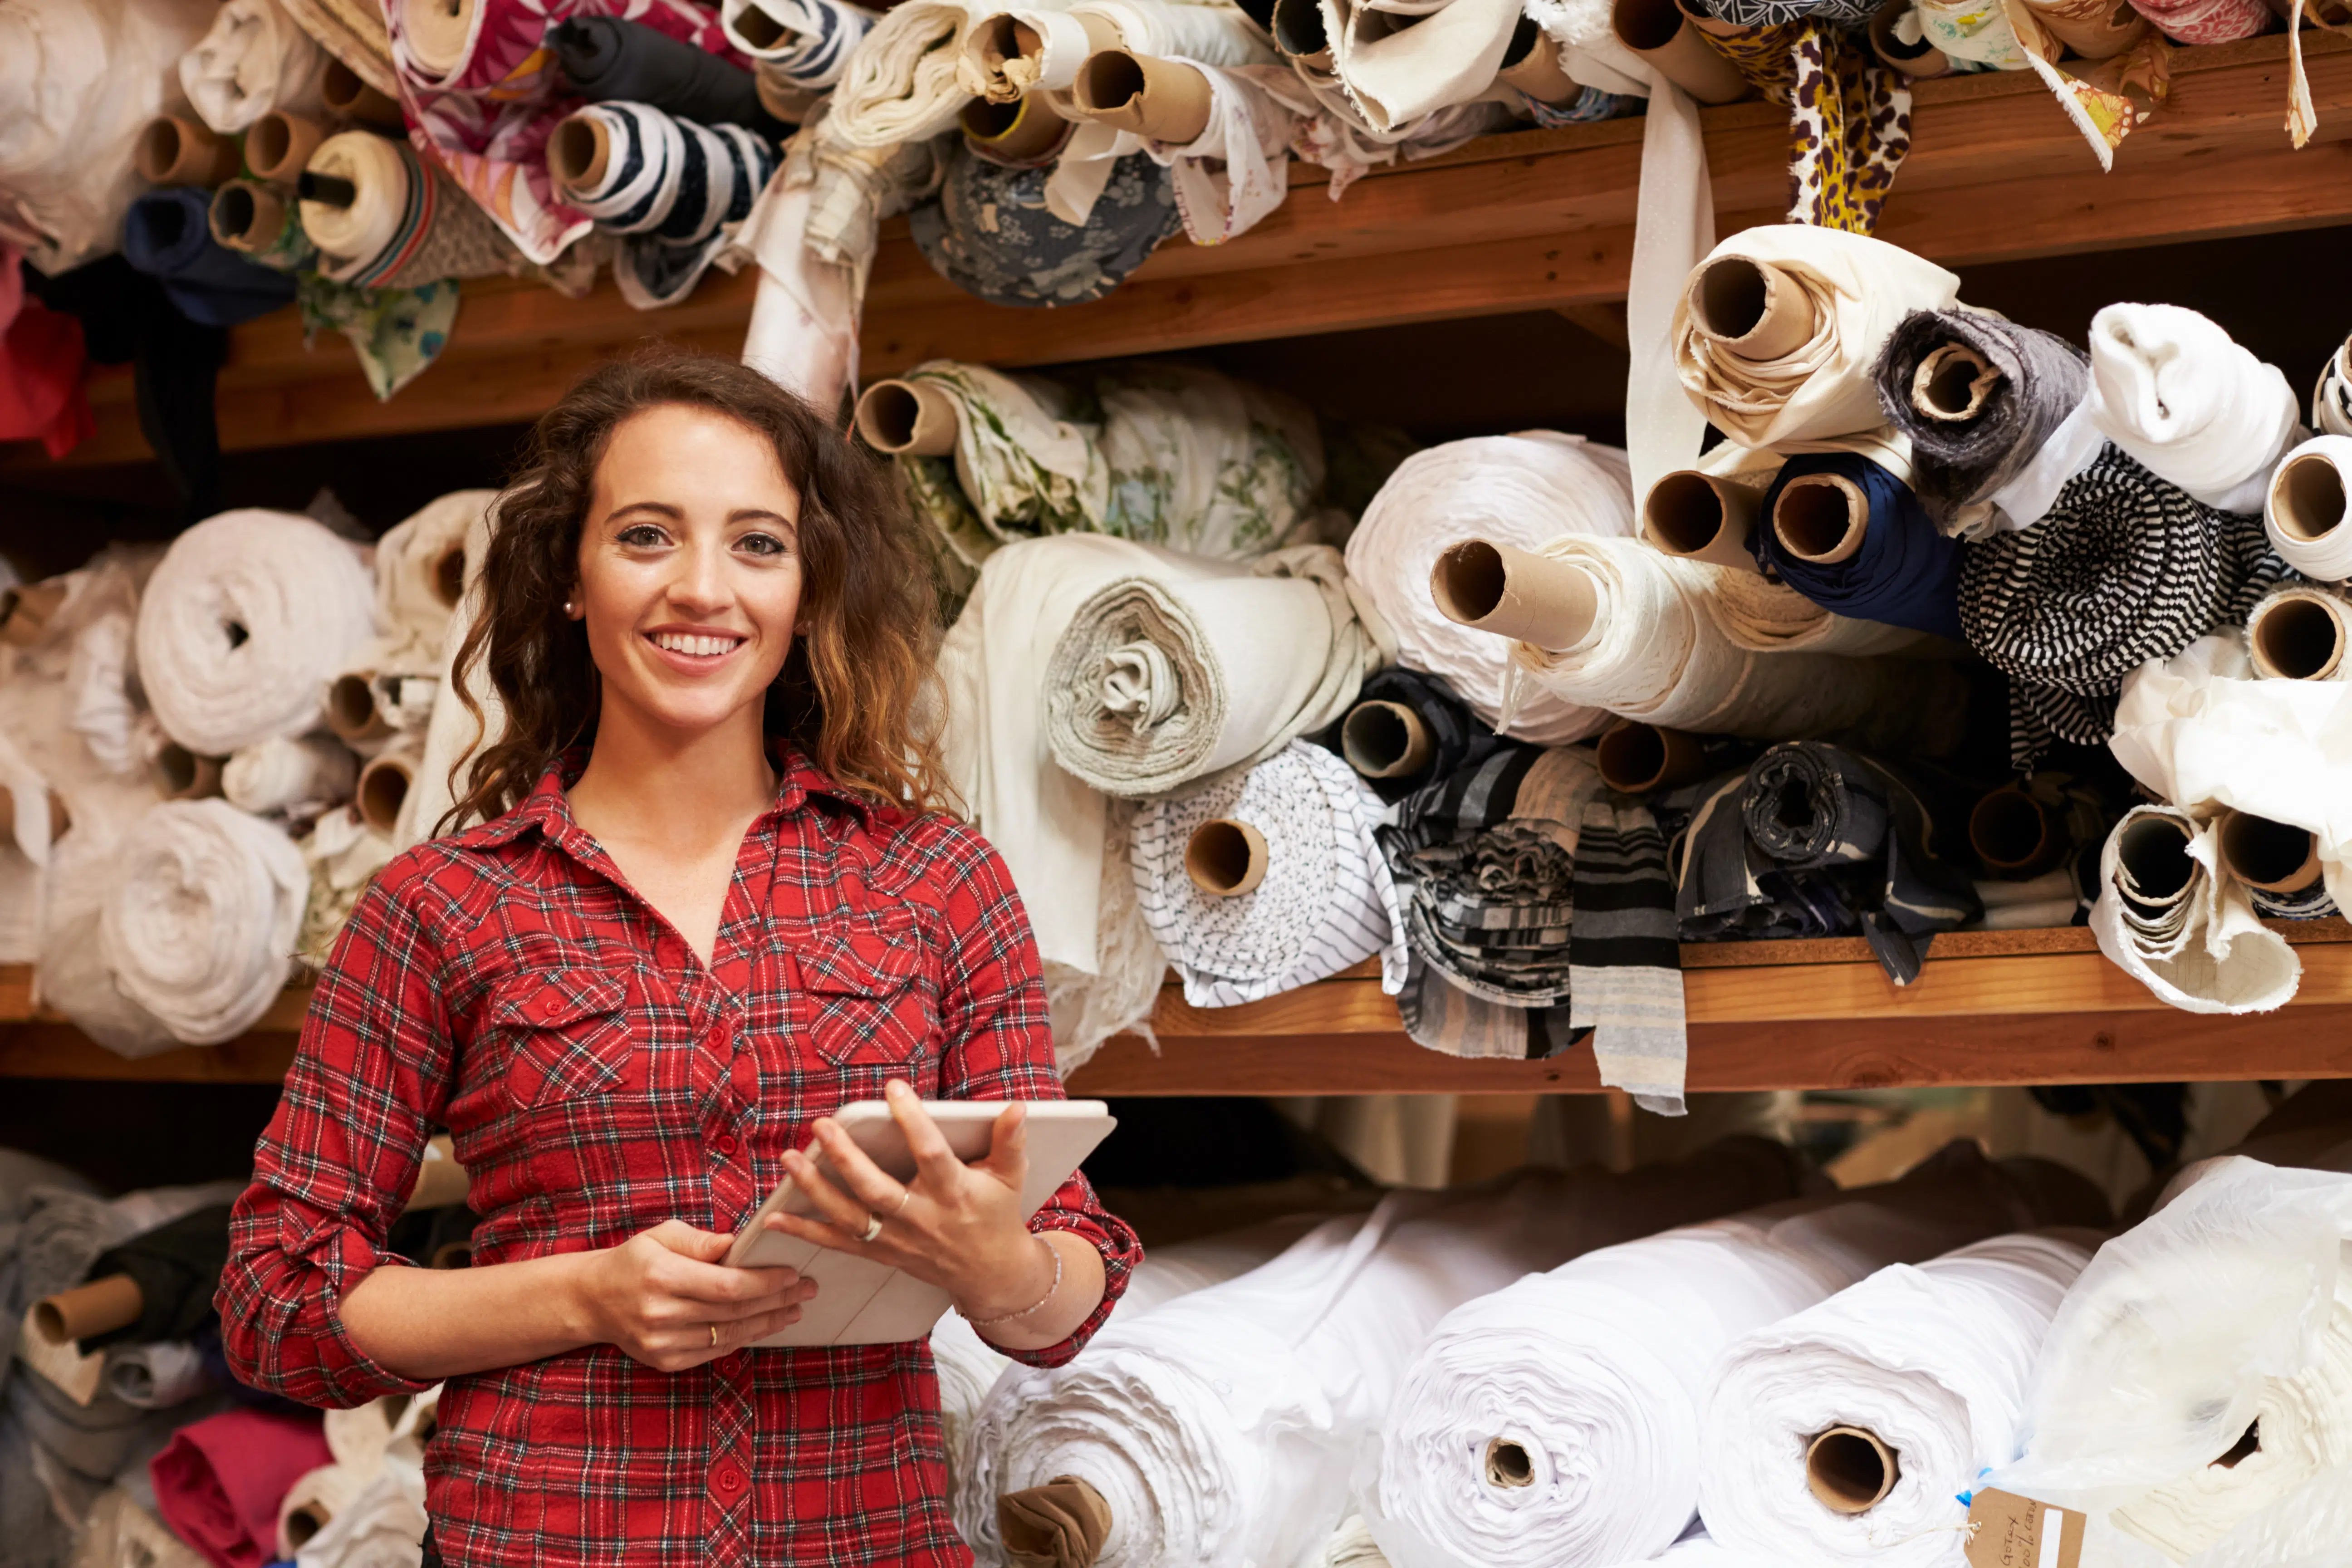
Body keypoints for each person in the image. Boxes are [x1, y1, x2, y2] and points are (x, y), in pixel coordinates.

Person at [215, 350, 1140, 1567]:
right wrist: (587, 1294)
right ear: (568, 577)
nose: (705, 590)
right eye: (647, 536)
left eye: (758, 544)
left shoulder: (939, 884)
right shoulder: (441, 908)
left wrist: (996, 1263)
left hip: (865, 1539)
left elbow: (1069, 1294)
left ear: (810, 592)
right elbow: (275, 1300)